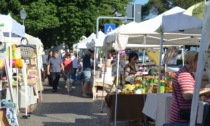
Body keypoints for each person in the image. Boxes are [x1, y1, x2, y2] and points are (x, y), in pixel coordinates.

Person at [168, 51, 210, 123]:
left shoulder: (185, 72)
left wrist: (204, 89)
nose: (202, 64)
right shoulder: (185, 75)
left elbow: (189, 90)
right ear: (192, 62)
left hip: (180, 114)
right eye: (199, 62)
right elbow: (187, 95)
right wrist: (206, 91)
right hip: (182, 117)